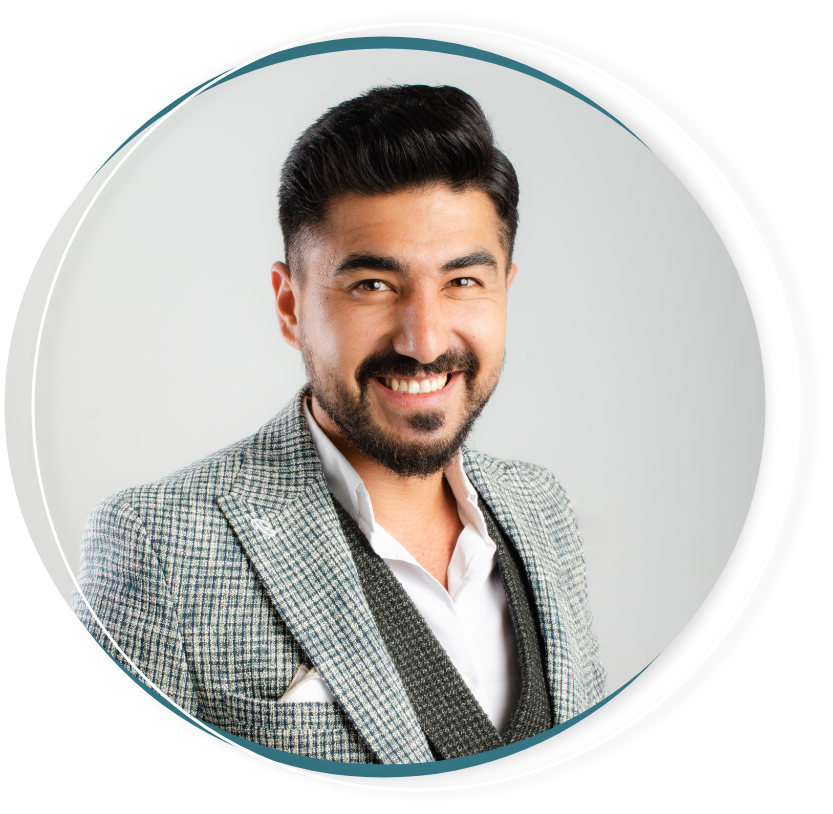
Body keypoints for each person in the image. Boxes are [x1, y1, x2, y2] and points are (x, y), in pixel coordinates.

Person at [72, 84, 606, 764]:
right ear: (290, 306)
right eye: (372, 286)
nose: (423, 340)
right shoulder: (158, 544)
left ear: (505, 289)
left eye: (463, 282)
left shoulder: (541, 509)